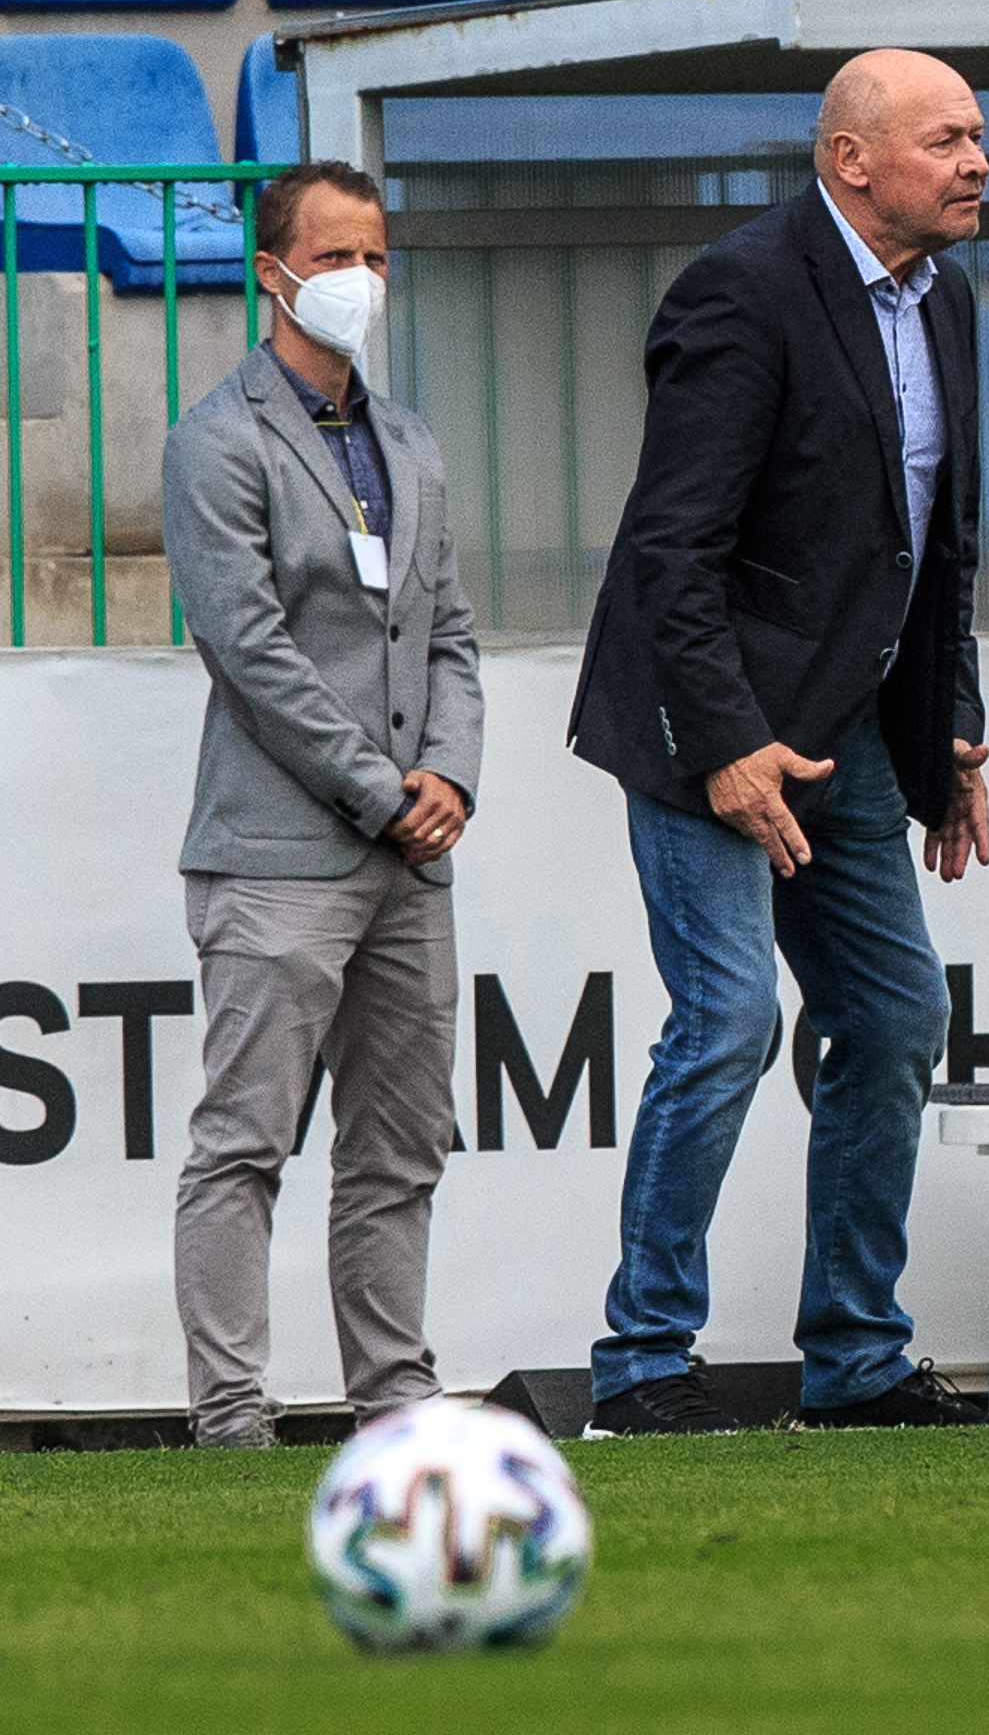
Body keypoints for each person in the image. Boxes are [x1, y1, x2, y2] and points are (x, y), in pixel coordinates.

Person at [568, 48, 989, 1436]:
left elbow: (937, 545)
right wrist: (726, 743)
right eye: (946, 139)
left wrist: (950, 729)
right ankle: (642, 1365)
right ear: (850, 159)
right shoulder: (742, 289)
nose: (977, 163)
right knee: (728, 1022)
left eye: (977, 138)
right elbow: (670, 546)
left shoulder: (945, 298)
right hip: (709, 728)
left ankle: (857, 1362)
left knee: (894, 1017)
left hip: (855, 732)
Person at [161, 160, 483, 1448]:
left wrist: (450, 774)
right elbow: (247, 652)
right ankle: (232, 1417)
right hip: (277, 854)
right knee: (245, 1144)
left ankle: (394, 1403)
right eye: (335, 256)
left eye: (376, 257)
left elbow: (449, 631)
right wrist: (380, 793)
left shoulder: (409, 441)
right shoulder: (216, 438)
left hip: (410, 861)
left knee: (401, 1150)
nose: (361, 280)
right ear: (273, 272)